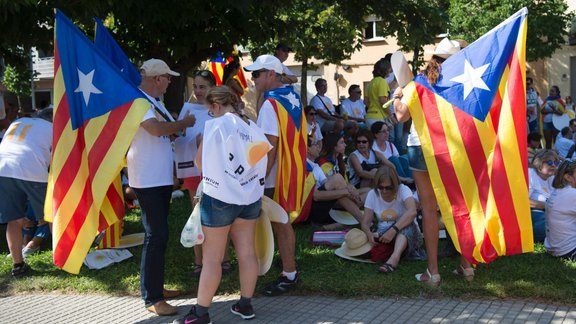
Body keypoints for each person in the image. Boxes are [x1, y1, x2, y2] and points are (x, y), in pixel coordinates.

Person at [174, 86, 270, 323]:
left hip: (219, 198)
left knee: (212, 259)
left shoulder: (216, 126)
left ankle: (201, 312)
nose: (210, 115)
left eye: (210, 110)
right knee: (247, 252)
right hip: (249, 198)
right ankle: (245, 305)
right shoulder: (251, 126)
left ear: (216, 106)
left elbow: (199, 163)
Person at [393, 38, 473, 286]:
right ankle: (467, 267)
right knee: (460, 208)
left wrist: (398, 94)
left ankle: (433, 273)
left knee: (429, 210)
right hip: (454, 150)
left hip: (422, 148)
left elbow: (400, 115)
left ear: (434, 58)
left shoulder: (419, 82)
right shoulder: (464, 83)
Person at [129, 58, 196, 316]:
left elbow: (166, 133)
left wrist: (177, 128)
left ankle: (155, 288)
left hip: (156, 178)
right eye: (168, 78)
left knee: (158, 236)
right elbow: (156, 130)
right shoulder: (140, 101)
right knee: (155, 237)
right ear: (158, 79)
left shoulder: (153, 102)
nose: (170, 82)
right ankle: (152, 297)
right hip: (147, 179)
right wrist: (183, 124)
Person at [245, 54, 307, 296]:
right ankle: (289, 267)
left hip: (275, 173)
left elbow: (270, 145)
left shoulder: (271, 103)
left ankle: (289, 273)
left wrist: (260, 179)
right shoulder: (291, 96)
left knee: (280, 224)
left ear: (271, 74)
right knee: (284, 222)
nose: (253, 79)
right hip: (292, 168)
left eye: (257, 74)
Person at [175, 70, 233, 278]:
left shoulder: (221, 110)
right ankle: (199, 263)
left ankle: (224, 260)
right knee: (197, 215)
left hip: (218, 172)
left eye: (203, 87)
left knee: (220, 216)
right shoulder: (188, 110)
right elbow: (180, 139)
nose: (198, 91)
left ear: (212, 88)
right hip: (193, 171)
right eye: (196, 87)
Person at [0, 108, 53, 277]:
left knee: (13, 220)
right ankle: (62, 259)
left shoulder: (18, 122)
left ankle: (18, 265)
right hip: (32, 169)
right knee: (52, 216)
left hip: (3, 168)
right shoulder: (52, 129)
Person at [360, 167, 423, 273]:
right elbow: (365, 223)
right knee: (376, 234)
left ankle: (394, 259)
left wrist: (393, 230)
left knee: (407, 224)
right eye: (381, 187)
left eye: (388, 187)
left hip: (409, 233)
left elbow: (412, 212)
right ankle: (394, 251)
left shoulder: (403, 189)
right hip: (385, 235)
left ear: (395, 184)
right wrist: (368, 233)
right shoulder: (373, 194)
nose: (384, 191)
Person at [316, 133, 366, 223]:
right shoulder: (323, 163)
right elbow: (333, 185)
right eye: (342, 142)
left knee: (369, 190)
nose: (345, 145)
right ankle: (356, 208)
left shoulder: (339, 160)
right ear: (334, 146)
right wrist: (351, 192)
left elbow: (344, 183)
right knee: (344, 193)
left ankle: (355, 205)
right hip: (330, 197)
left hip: (344, 193)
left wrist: (350, 187)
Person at [544, 159, 576, 261]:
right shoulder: (572, 194)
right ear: (568, 177)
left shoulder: (560, 190)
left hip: (555, 249)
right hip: (569, 250)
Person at [529, 150, 558, 242]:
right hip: (532, 216)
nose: (553, 165)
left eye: (556, 162)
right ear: (538, 163)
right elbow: (521, 201)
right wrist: (547, 206)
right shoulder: (530, 175)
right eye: (549, 162)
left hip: (548, 215)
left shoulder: (551, 178)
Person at [365, 58, 391, 127]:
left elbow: (366, 101)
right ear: (385, 70)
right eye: (389, 68)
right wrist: (390, 114)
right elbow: (382, 100)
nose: (390, 71)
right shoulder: (382, 81)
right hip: (379, 118)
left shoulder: (371, 82)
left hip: (369, 117)